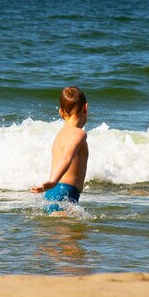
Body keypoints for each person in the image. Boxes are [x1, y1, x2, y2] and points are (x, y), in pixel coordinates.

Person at [30, 86, 89, 214]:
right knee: (73, 233)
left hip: (52, 192)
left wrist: (52, 184)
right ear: (86, 108)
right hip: (65, 192)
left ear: (61, 113)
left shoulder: (60, 135)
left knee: (57, 231)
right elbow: (67, 157)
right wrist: (52, 181)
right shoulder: (79, 133)